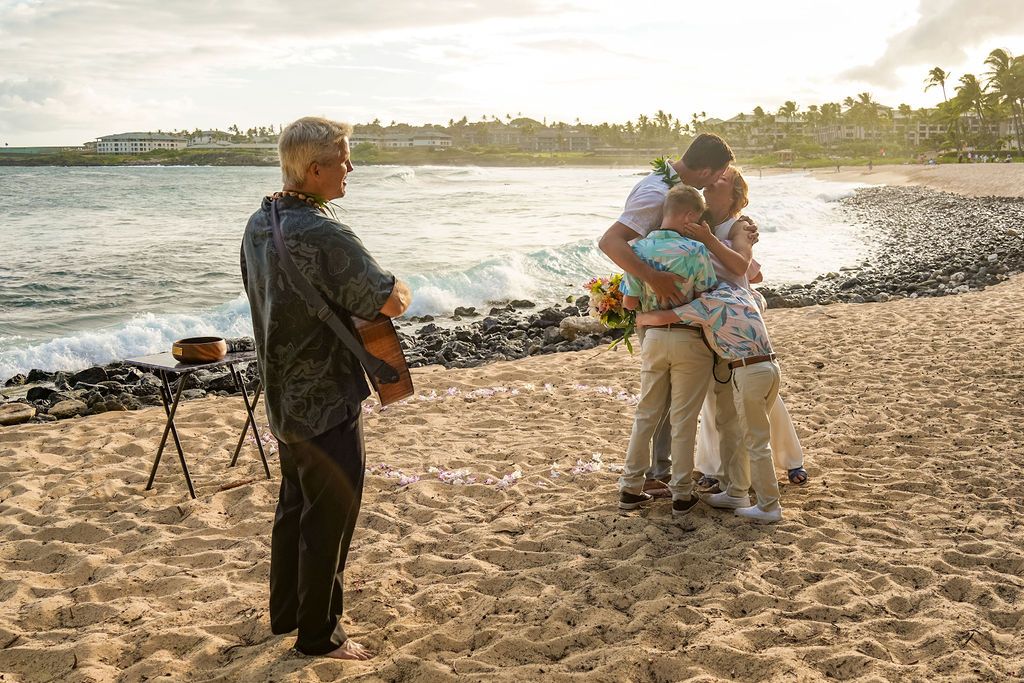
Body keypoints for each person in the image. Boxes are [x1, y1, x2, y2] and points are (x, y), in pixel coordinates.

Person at [240, 116, 412, 661]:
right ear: (314, 170)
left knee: (295, 503)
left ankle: (288, 611)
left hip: (282, 391)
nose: (350, 167)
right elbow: (387, 300)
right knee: (331, 513)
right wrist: (403, 286)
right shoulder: (325, 232)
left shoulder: (259, 221)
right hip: (327, 393)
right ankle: (319, 635)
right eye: (343, 158)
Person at [599, 133, 740, 498]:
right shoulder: (654, 193)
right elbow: (610, 241)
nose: (716, 182)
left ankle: (657, 472)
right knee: (664, 402)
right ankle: (656, 474)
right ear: (705, 169)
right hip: (663, 309)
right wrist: (654, 278)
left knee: (662, 401)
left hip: (664, 311)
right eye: (718, 175)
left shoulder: (677, 191)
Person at [679, 167, 807, 489]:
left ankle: (791, 459)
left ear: (735, 193)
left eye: (720, 179)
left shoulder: (738, 226)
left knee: (757, 387)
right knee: (714, 388)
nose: (711, 182)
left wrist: (709, 239)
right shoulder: (699, 216)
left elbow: (739, 265)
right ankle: (711, 465)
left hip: (736, 314)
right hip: (708, 309)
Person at [636, 276, 785, 523]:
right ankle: (737, 492)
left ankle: (769, 506)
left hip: (748, 371)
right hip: (771, 367)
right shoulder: (744, 294)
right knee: (744, 433)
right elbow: (760, 303)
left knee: (756, 442)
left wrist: (640, 318)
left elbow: (663, 318)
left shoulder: (708, 303)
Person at [616, 185, 718, 516]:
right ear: (689, 214)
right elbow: (708, 296)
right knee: (683, 418)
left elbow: (629, 302)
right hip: (689, 338)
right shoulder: (695, 250)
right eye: (697, 219)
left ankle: (630, 488)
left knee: (646, 413)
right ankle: (681, 494)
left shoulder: (637, 249)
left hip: (653, 339)